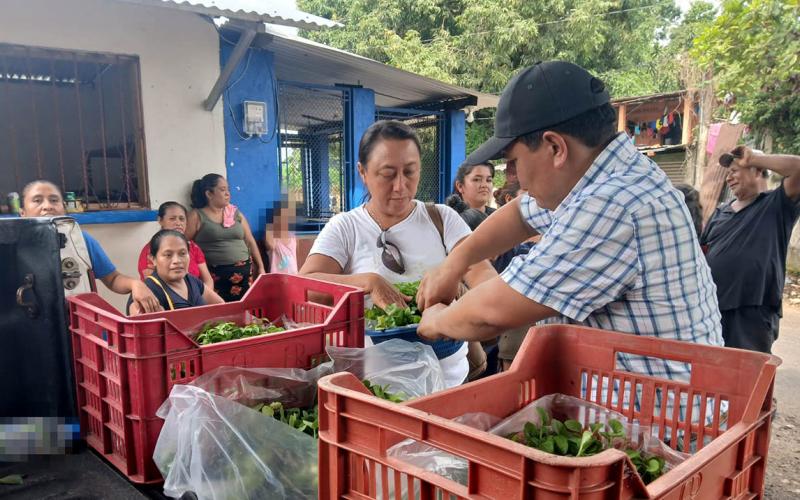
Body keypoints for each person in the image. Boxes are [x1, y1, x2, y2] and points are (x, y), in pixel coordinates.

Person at [415, 61, 723, 392]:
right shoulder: (606, 176)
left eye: (514, 162)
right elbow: (521, 213)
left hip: (655, 417)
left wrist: (436, 321)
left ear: (555, 148)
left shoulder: (611, 203)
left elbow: (492, 312)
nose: (514, 179)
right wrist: (455, 263)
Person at [299, 120, 497, 387]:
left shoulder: (443, 218)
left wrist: (474, 297)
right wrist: (368, 282)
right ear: (362, 172)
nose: (400, 186)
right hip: (380, 384)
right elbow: (307, 288)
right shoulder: (345, 227)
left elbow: (481, 272)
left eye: (410, 172)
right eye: (388, 174)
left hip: (450, 378)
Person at [700, 146, 800, 353]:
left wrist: (753, 158)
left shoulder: (776, 204)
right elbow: (702, 253)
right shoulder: (720, 213)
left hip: (751, 312)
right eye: (728, 173)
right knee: (711, 369)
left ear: (757, 171)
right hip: (712, 309)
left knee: (745, 371)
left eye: (735, 171)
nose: (729, 178)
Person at [19, 180, 161, 313]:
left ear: (63, 207)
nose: (47, 206)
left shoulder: (81, 240)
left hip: (78, 322)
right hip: (32, 322)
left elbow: (113, 279)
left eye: (54, 200)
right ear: (22, 212)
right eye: (37, 200)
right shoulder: (13, 246)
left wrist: (136, 284)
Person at [185, 174, 265, 302]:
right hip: (214, 278)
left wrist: (260, 267)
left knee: (244, 307)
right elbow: (184, 244)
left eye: (228, 189)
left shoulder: (235, 213)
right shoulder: (196, 216)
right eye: (222, 190)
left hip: (244, 276)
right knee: (220, 310)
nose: (228, 193)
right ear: (209, 194)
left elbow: (250, 241)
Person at [128, 229, 224, 315]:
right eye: (168, 255)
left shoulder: (191, 280)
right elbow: (143, 326)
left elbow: (222, 308)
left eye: (182, 253)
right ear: (153, 259)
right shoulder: (147, 291)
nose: (177, 261)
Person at [137, 202, 214, 290]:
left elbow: (208, 280)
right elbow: (154, 285)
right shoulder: (152, 249)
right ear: (160, 220)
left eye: (182, 219)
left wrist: (202, 296)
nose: (178, 223)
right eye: (172, 219)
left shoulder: (193, 247)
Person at [265, 194, 299, 275]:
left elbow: (295, 256)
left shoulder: (293, 236)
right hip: (277, 277)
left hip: (293, 275)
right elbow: (271, 246)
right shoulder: (271, 234)